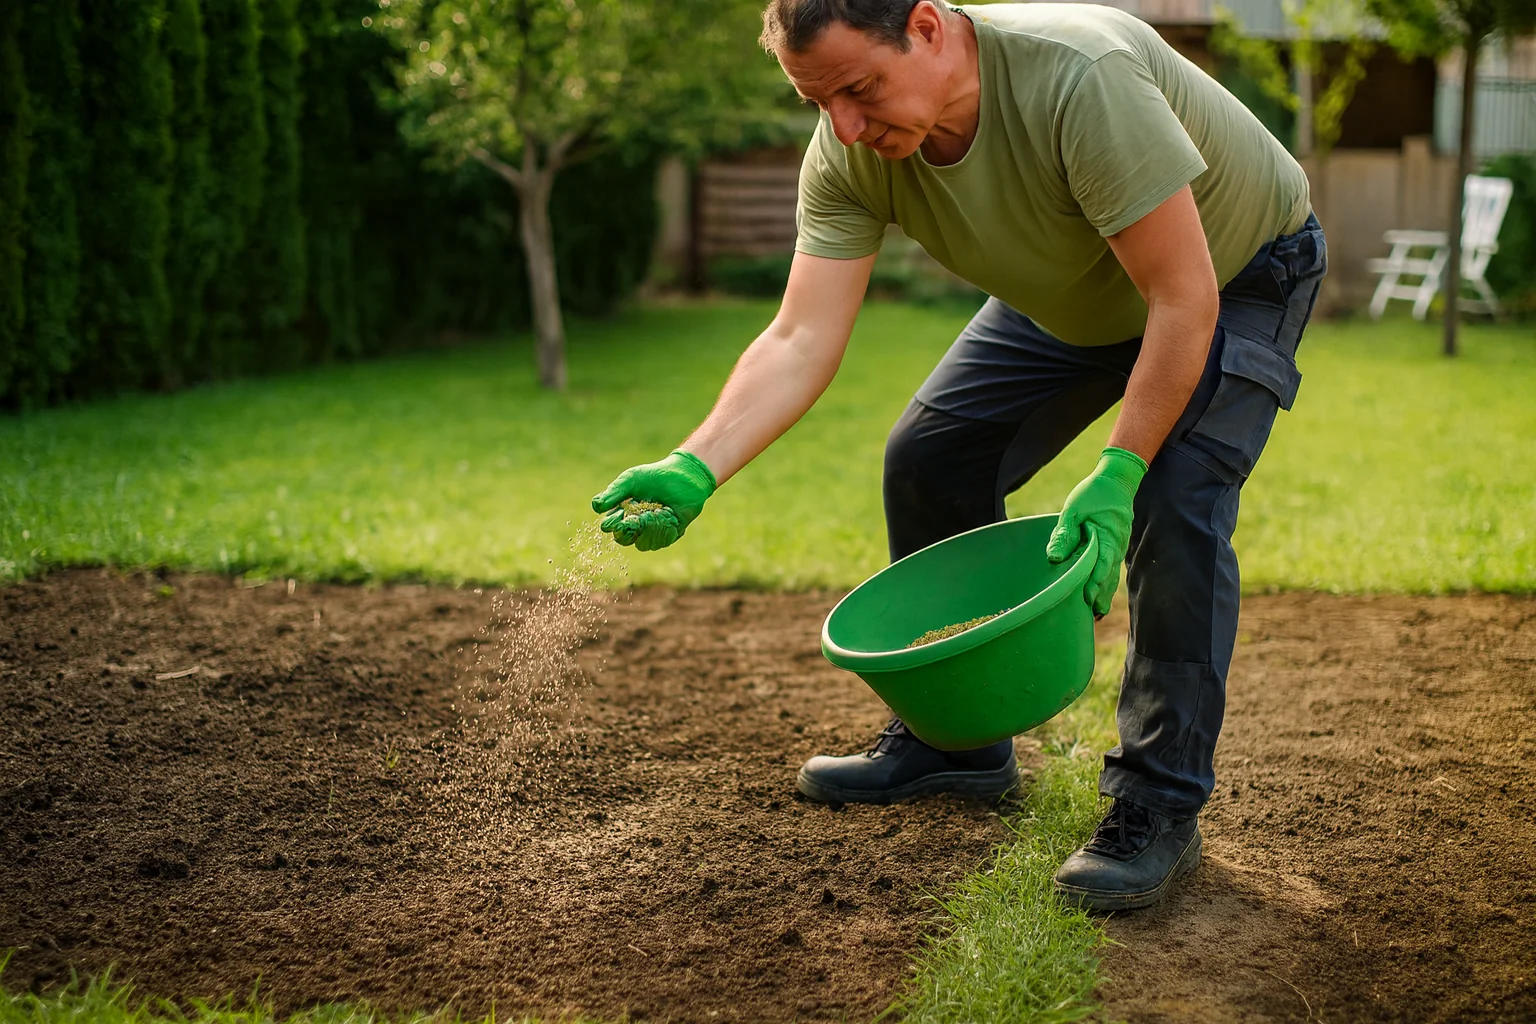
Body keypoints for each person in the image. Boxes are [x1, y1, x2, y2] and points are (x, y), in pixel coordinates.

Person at [590, 0, 1326, 912]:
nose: (844, 126)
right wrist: (696, 463)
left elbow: (1182, 297)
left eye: (860, 88)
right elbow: (800, 335)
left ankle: (1158, 801)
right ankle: (957, 742)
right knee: (930, 455)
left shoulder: (1078, 79)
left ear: (928, 27)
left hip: (1236, 274)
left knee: (1173, 504)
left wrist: (1119, 469)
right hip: (1073, 292)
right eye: (818, 103)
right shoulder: (851, 150)